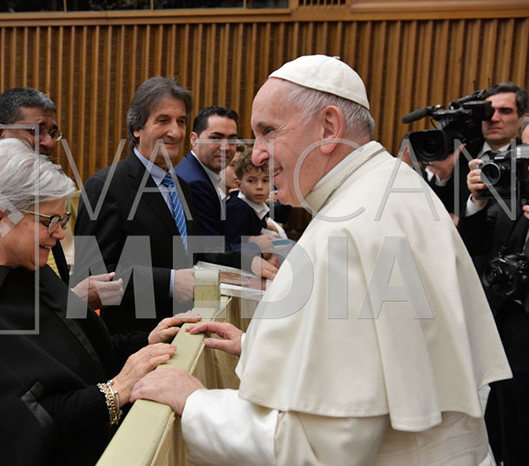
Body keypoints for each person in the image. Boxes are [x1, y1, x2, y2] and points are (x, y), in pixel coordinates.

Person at [131, 55, 512, 465]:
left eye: (268, 132)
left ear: (328, 128)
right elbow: (382, 359)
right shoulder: (393, 184)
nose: (256, 156)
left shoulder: (346, 232)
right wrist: (256, 345)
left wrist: (196, 403)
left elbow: (320, 447)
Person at [0, 138, 199, 465]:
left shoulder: (33, 272)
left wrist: (146, 341)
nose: (60, 234)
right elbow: (15, 428)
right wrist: (115, 390)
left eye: (63, 218)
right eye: (49, 221)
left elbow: (81, 350)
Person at [73, 77, 278, 335]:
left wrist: (248, 259)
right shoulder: (106, 187)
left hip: (185, 330)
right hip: (134, 340)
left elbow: (195, 252)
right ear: (136, 129)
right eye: (163, 120)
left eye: (181, 121)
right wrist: (169, 282)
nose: (176, 132)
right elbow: (91, 278)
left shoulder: (181, 187)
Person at [0, 87, 118, 309]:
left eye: (52, 133)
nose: (48, 142)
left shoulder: (43, 195)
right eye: (36, 131)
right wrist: (73, 300)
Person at [458, 83, 529, 465]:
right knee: (503, 423)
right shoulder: (512, 183)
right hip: (507, 319)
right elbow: (477, 244)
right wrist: (477, 200)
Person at [424, 81, 527, 216]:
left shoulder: (525, 158)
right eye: (488, 111)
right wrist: (443, 176)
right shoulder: (462, 153)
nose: (494, 118)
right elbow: (440, 210)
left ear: (522, 119)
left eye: (505, 111)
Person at [175, 106, 238, 242]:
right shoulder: (195, 184)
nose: (226, 147)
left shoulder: (192, 169)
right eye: (215, 138)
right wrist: (254, 245)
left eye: (232, 140)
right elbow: (210, 248)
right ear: (194, 139)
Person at [225, 149, 275, 248]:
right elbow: (230, 249)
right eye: (251, 181)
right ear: (239, 185)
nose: (259, 187)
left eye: (265, 180)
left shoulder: (256, 207)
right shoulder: (238, 209)